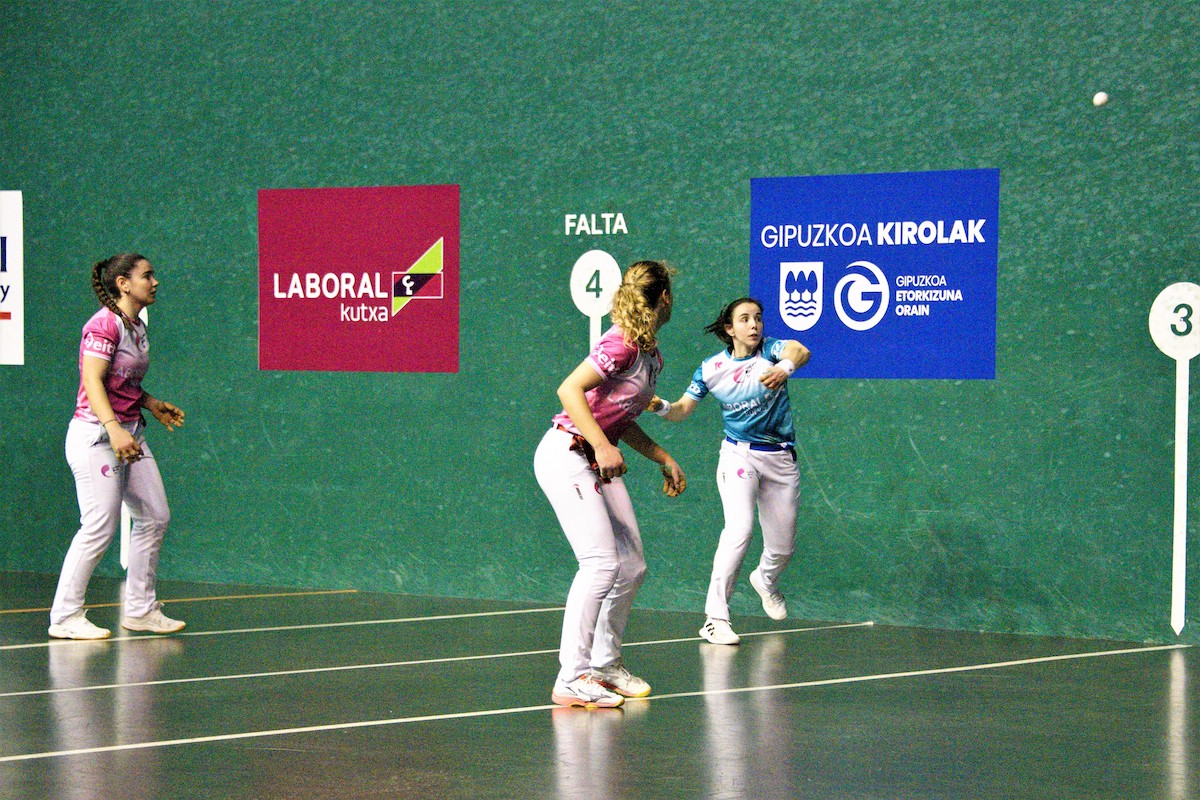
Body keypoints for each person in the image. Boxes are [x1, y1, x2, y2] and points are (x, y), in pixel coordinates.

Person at [534, 259, 687, 708]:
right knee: (600, 563)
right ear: (665, 298)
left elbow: (621, 418)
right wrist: (602, 446)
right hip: (567, 454)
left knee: (632, 565)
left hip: (596, 459)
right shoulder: (620, 343)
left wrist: (662, 456)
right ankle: (571, 675)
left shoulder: (651, 355)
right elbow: (569, 390)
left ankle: (604, 664)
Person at [652, 297, 809, 645]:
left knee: (782, 548)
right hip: (739, 456)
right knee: (739, 529)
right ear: (729, 329)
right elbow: (681, 409)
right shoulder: (711, 369)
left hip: (781, 459)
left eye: (758, 318)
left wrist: (784, 368)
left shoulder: (772, 351)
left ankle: (765, 580)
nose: (754, 325)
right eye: (745, 319)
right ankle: (715, 618)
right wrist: (661, 406)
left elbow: (800, 350)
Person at [48, 253, 187, 640]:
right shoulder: (103, 325)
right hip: (97, 436)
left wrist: (151, 403)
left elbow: (121, 382)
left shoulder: (137, 326)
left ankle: (140, 610)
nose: (155, 282)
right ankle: (65, 616)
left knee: (155, 516)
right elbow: (92, 380)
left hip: (129, 432)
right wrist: (112, 428)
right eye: (147, 276)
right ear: (123, 284)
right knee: (99, 526)